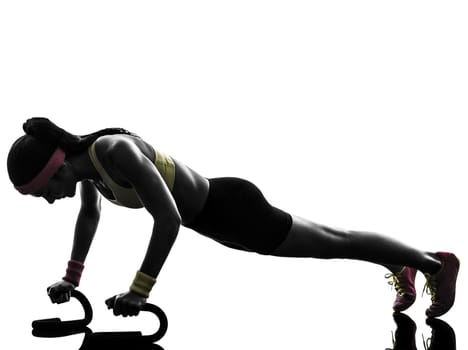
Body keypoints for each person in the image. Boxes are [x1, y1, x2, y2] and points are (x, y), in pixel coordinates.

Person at [7, 118, 460, 318]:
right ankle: (399, 265)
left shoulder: (113, 151)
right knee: (333, 242)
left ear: (59, 165)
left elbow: (166, 220)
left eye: (45, 191)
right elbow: (89, 219)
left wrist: (139, 292)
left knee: (335, 241)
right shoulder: (90, 173)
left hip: (232, 208)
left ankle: (435, 263)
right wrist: (72, 278)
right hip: (217, 222)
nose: (49, 200)